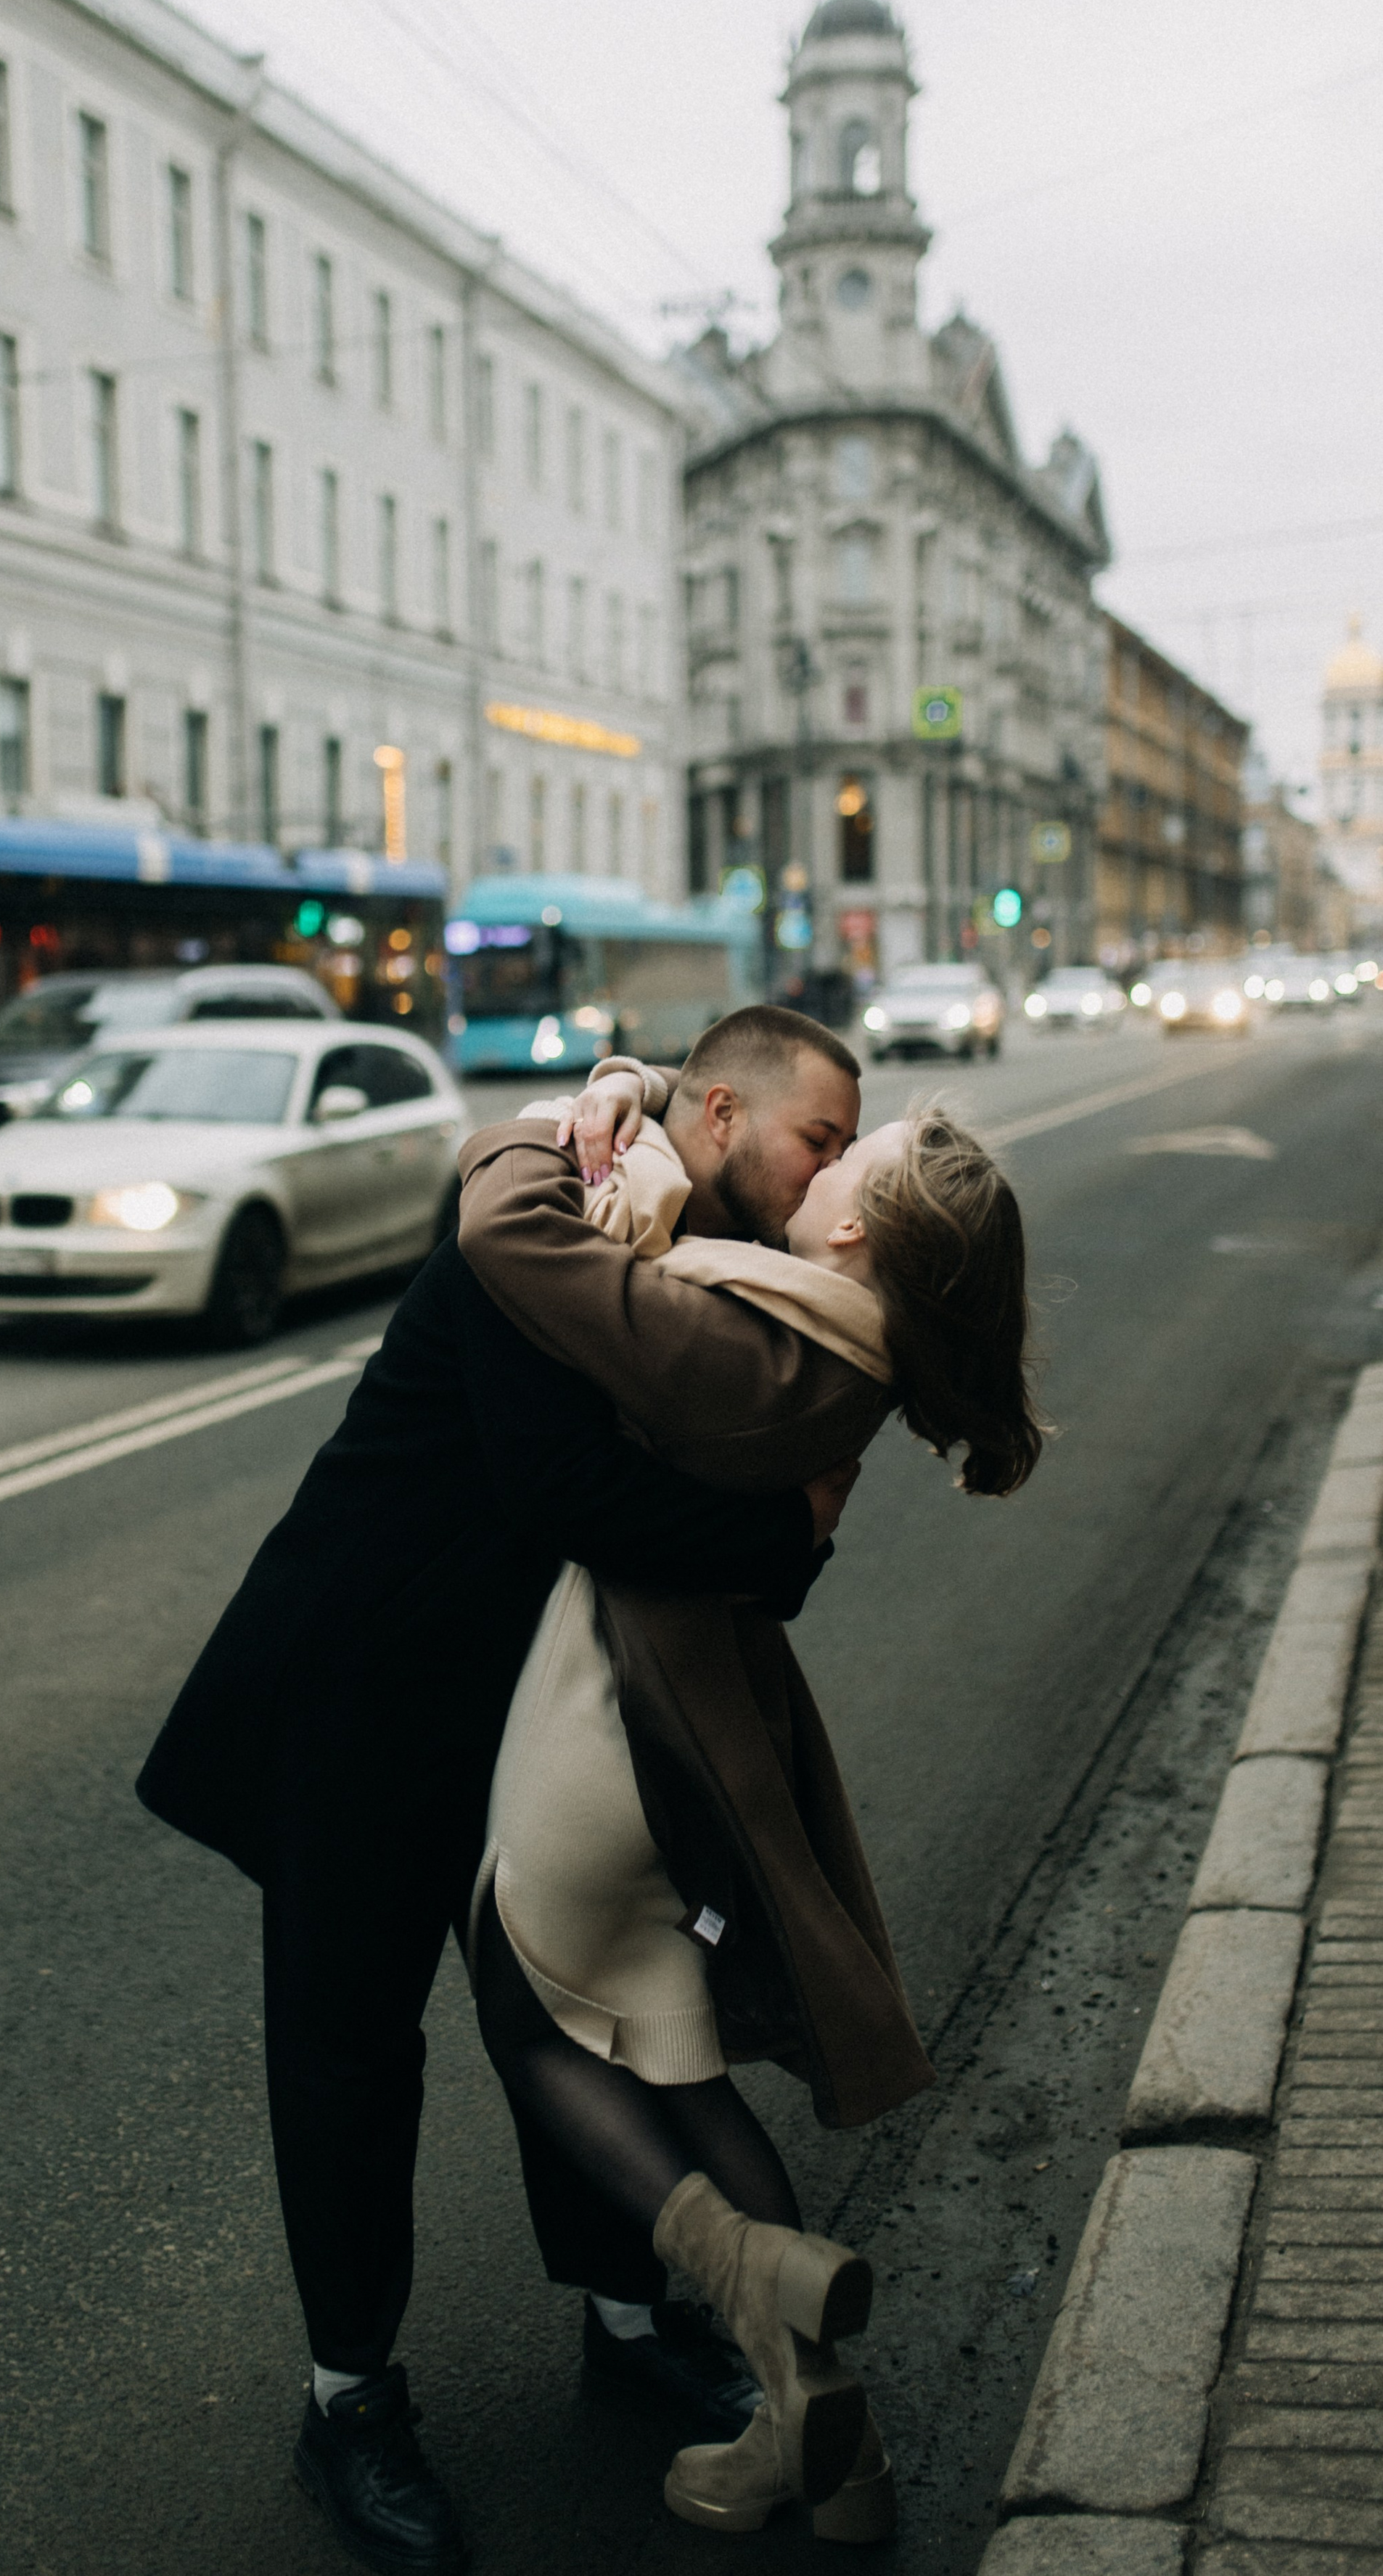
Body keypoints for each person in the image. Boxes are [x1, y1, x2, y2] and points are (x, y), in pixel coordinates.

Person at [136, 1009, 867, 2576]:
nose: (825, 1169)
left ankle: (624, 2320)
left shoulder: (667, 1242)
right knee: (347, 2051)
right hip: (361, 1685)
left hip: (525, 1699)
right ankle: (348, 2405)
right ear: (721, 1111)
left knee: (571, 2008)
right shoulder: (544, 1221)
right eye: (816, 1137)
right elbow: (569, 1489)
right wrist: (786, 1542)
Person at [455, 1055, 1041, 2542]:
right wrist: (635, 1088)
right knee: (673, 2062)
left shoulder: (756, 1345)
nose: (817, 1170)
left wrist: (551, 1122)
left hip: (607, 1731)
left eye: (855, 1159)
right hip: (687, 1726)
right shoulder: (829, 1344)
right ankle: (825, 2454)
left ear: (856, 1235)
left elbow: (508, 1234)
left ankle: (734, 2268)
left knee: (526, 2018)